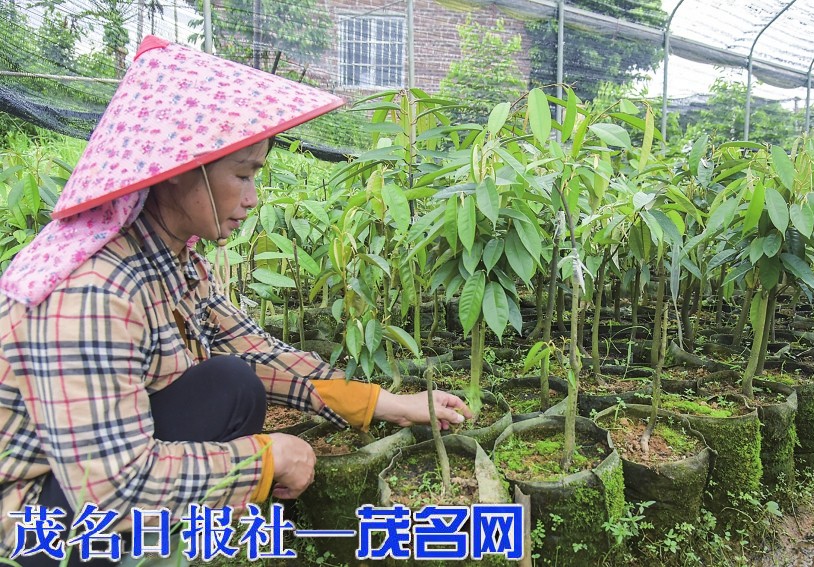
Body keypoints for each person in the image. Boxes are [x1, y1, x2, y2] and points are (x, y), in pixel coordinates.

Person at [0, 36, 471, 565]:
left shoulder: (172, 259)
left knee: (232, 383)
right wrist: (262, 461)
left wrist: (385, 404)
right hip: (38, 516)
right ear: (180, 168)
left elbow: (251, 349)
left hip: (89, 474)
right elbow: (111, 491)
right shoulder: (93, 293)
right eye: (243, 175)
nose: (252, 198)